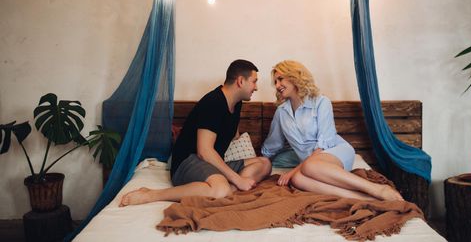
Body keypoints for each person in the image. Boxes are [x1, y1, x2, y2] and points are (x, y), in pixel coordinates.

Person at [120, 59, 272, 206]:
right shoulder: (213, 102)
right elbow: (204, 151)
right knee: (220, 189)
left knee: (265, 164)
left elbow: (232, 135)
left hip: (212, 163)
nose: (256, 87)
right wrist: (239, 179)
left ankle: (230, 190)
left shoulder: (236, 104)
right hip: (188, 161)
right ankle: (152, 194)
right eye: (254, 81)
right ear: (240, 81)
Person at [261, 60, 403, 201]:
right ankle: (365, 199)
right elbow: (273, 144)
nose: (277, 85)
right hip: (308, 165)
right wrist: (259, 161)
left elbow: (324, 143)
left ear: (294, 77)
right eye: (275, 82)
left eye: (280, 79)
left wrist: (292, 171)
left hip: (333, 152)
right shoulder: (281, 112)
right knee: (297, 180)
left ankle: (378, 189)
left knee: (307, 168)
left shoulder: (321, 102)